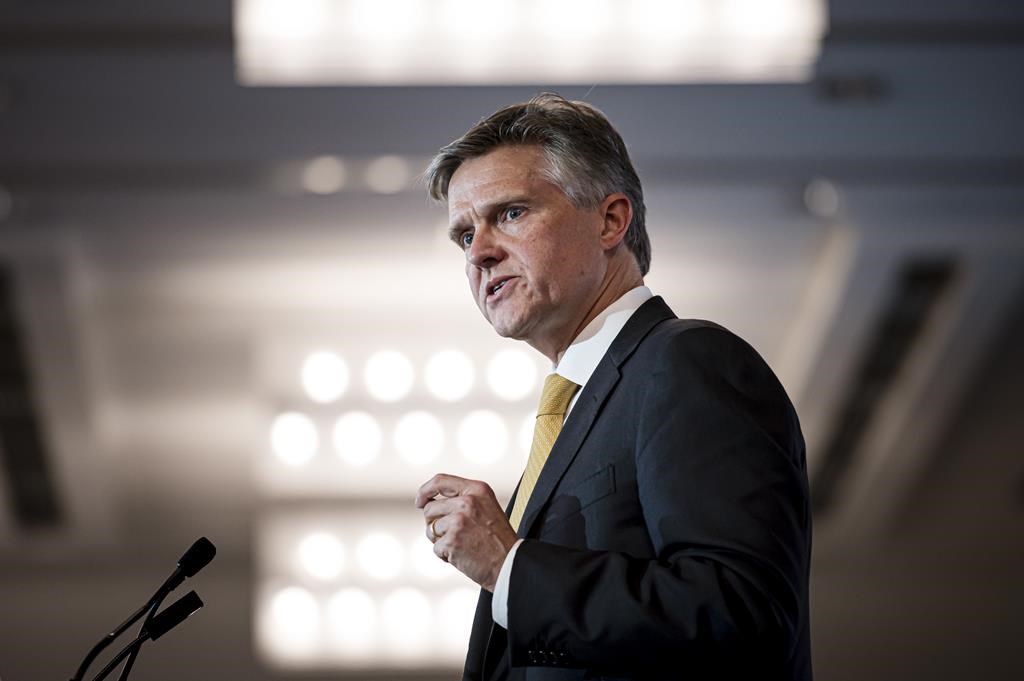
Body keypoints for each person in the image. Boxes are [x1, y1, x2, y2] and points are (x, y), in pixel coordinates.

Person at [415, 94, 812, 681]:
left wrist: (509, 566)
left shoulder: (686, 361)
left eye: (512, 213)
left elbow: (744, 615)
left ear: (610, 220)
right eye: (465, 235)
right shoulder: (580, 406)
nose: (481, 252)